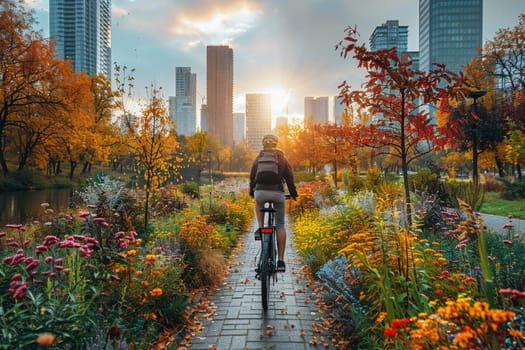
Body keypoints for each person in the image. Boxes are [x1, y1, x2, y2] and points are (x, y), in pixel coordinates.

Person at [249, 134, 297, 272]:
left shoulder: (259, 158)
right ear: (276, 144)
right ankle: (280, 261)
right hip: (277, 194)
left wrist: (253, 192)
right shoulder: (282, 157)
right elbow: (289, 177)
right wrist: (293, 193)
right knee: (280, 225)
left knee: (258, 202)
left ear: (264, 145)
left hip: (260, 192)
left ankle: (260, 228)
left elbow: (252, 177)